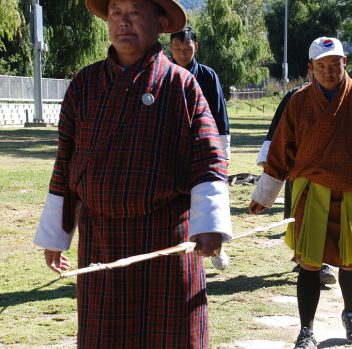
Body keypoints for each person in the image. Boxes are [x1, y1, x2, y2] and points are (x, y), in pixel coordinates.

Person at [32, 1, 232, 348]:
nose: (123, 21)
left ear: (160, 22)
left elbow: (209, 159)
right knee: (105, 336)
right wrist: (56, 234)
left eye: (135, 12)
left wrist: (210, 226)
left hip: (167, 239)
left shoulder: (181, 84)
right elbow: (65, 161)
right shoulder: (85, 84)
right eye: (116, 12)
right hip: (101, 238)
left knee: (171, 337)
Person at [249, 37, 352, 349]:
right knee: (309, 263)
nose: (329, 71)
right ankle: (306, 329)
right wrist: (264, 195)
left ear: (344, 63)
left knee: (350, 261)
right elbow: (281, 152)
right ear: (311, 69)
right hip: (311, 193)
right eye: (322, 66)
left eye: (335, 64)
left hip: (351, 192)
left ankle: (350, 312)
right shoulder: (299, 101)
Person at [257, 69, 337, 285]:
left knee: (327, 218)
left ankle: (322, 263)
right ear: (309, 69)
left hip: (332, 172)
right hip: (299, 170)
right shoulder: (295, 96)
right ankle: (308, 260)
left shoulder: (344, 95)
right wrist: (269, 162)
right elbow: (277, 132)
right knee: (301, 217)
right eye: (319, 66)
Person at [170, 26, 231, 270]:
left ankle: (217, 248)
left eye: (187, 48)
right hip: (173, 149)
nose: (182, 54)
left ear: (197, 47)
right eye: (176, 49)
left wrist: (222, 152)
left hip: (203, 147)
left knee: (209, 198)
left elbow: (219, 115)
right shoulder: (165, 73)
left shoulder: (207, 76)